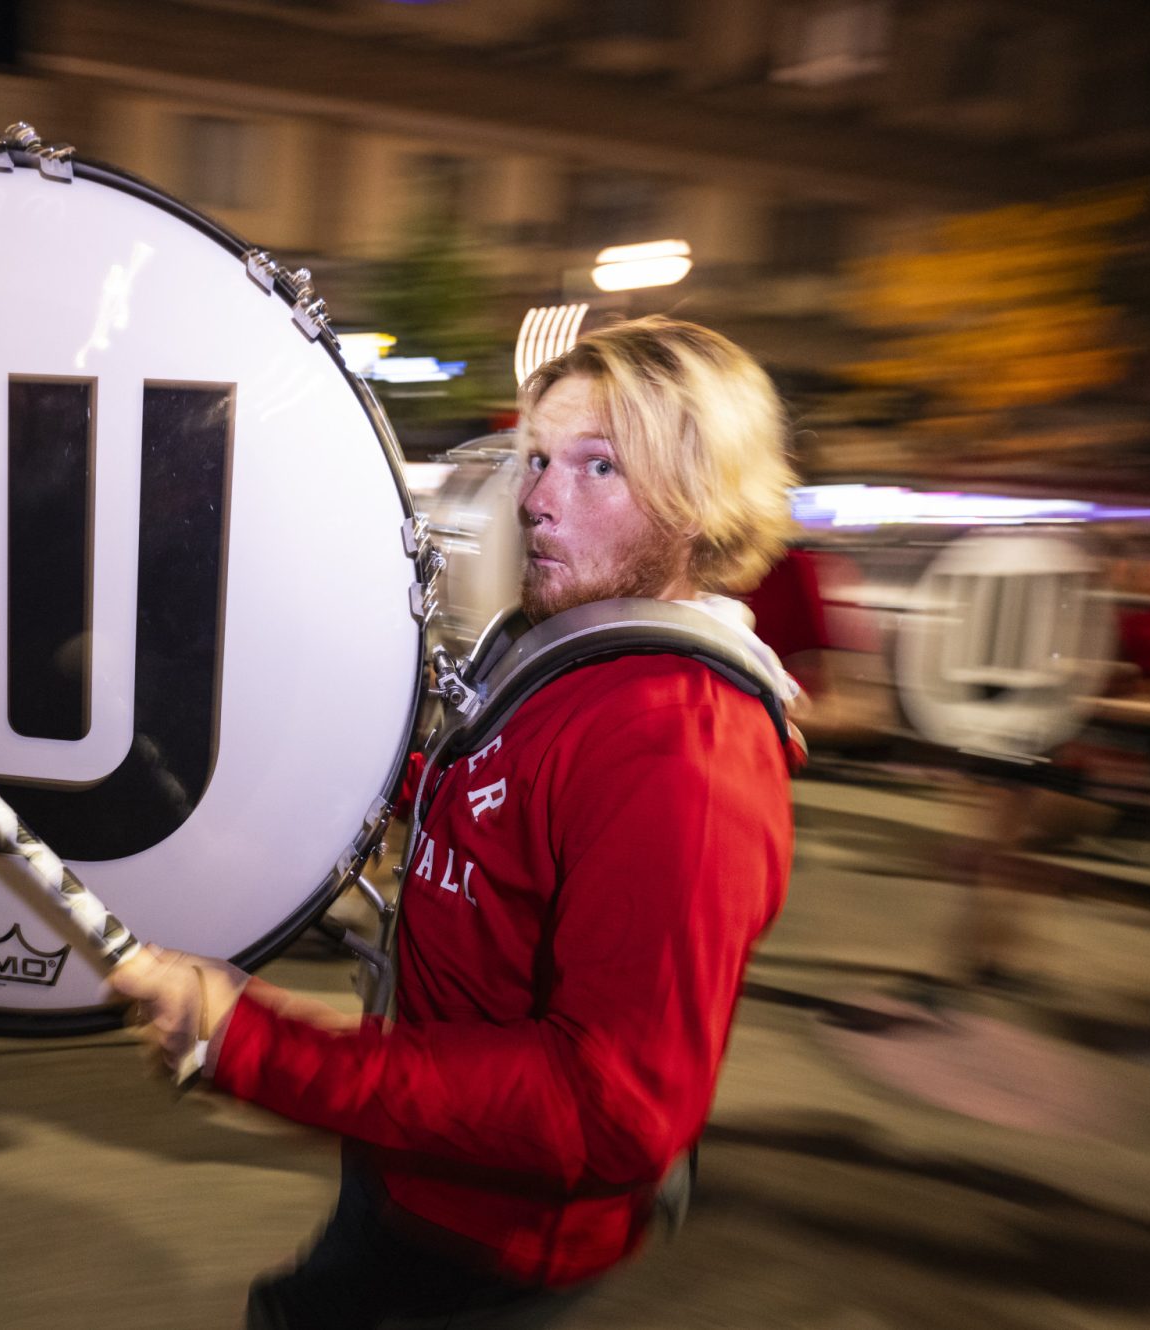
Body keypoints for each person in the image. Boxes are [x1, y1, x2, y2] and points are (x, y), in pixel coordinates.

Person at [112, 316, 800, 1328]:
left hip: (496, 1240)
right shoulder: (575, 650)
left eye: (596, 466)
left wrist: (254, 1043)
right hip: (417, 1167)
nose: (533, 499)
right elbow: (498, 805)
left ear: (700, 501)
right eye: (536, 459)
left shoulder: (679, 748)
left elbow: (611, 1111)